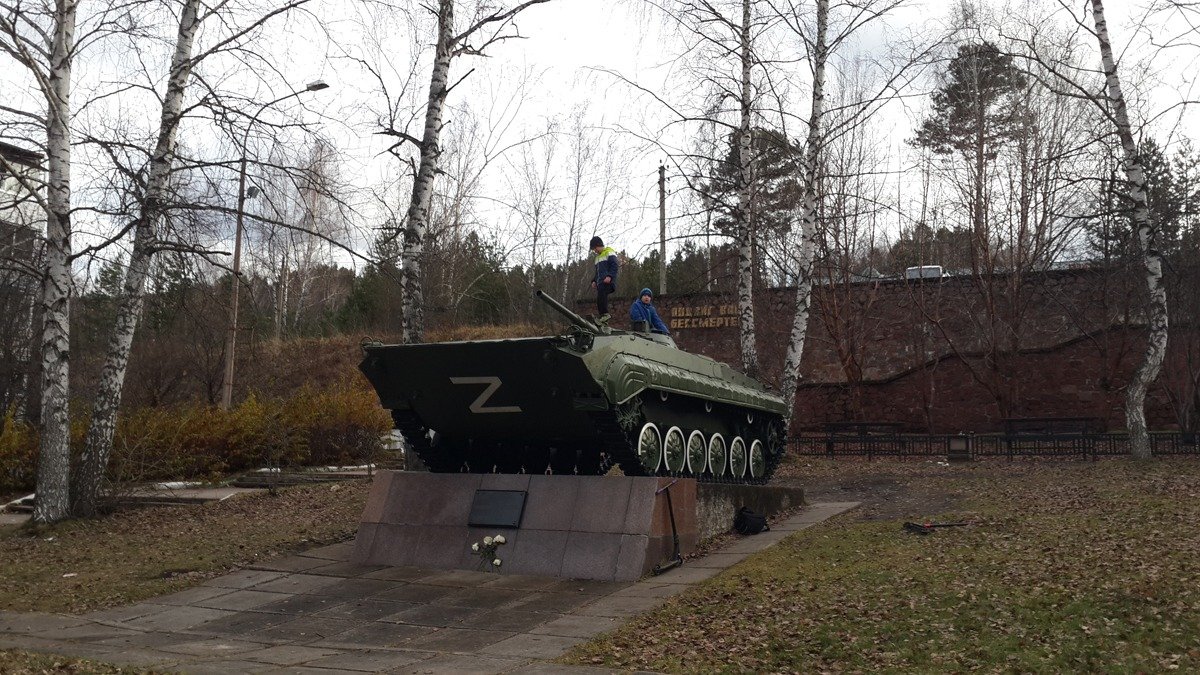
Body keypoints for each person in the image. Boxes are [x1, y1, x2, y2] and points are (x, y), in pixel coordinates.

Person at [589, 236, 618, 322]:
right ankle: (602, 316)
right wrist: (594, 280)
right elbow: (597, 272)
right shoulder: (597, 258)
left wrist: (610, 276)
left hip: (608, 281)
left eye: (595, 248)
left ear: (599, 245)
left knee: (602, 295)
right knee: (599, 298)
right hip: (600, 283)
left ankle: (605, 314)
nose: (595, 251)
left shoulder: (609, 252)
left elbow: (614, 265)